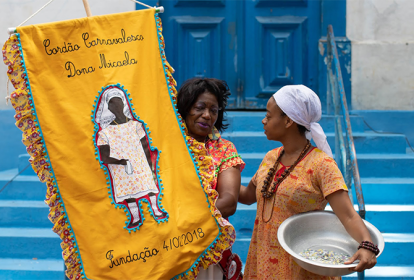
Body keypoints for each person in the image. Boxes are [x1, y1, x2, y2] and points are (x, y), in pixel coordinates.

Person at [238, 85, 378, 279]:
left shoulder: (322, 164)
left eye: (269, 116)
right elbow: (246, 196)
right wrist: (214, 176)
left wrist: (367, 244)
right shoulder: (271, 158)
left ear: (288, 120)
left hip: (302, 270)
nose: (264, 121)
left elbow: (348, 216)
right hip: (264, 265)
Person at [177, 78, 245, 280]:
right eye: (199, 107)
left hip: (208, 253)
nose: (207, 115)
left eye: (213, 110)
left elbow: (229, 202)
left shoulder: (224, 149)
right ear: (184, 108)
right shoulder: (166, 145)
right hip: (166, 248)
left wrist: (185, 220)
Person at [95, 86, 167, 228]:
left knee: (149, 186)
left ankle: (156, 209)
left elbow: (145, 147)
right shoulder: (105, 133)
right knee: (128, 192)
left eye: (119, 102)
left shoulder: (136, 126)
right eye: (113, 103)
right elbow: (104, 157)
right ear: (108, 107)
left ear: (124, 103)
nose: (117, 106)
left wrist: (150, 166)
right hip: (121, 168)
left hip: (140, 164)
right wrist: (121, 162)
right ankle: (135, 217)